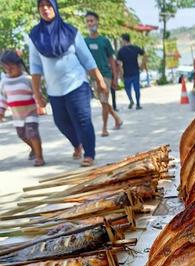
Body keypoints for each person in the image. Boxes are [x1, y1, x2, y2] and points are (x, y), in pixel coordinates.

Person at [29, 0, 108, 167]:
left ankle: (89, 153)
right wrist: (37, 93)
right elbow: (35, 67)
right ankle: (77, 144)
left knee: (82, 119)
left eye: (48, 5)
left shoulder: (71, 32)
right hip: (54, 89)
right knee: (61, 122)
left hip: (77, 84)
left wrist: (100, 80)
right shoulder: (35, 36)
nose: (45, 9)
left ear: (55, 8)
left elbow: (87, 58)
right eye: (41, 6)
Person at [0, 51, 44, 166]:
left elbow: (36, 93)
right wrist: (1, 111)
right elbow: (3, 98)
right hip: (17, 115)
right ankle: (33, 148)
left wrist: (40, 103)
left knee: (32, 133)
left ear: (19, 65)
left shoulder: (27, 79)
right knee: (22, 135)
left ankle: (39, 157)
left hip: (30, 112)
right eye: (5, 67)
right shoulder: (4, 82)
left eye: (11, 66)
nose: (9, 69)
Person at [85, 11, 122, 137]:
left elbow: (112, 60)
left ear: (97, 22)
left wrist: (115, 77)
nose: (90, 23)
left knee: (104, 100)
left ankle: (104, 128)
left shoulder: (104, 41)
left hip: (105, 75)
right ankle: (117, 118)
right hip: (93, 77)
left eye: (92, 20)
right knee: (103, 102)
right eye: (88, 21)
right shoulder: (84, 42)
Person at [117, 34, 145, 110]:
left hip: (126, 73)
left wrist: (120, 73)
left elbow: (119, 64)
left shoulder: (121, 51)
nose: (120, 42)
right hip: (135, 71)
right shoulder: (135, 48)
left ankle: (131, 100)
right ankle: (137, 104)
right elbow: (144, 54)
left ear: (124, 40)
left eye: (121, 40)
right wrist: (142, 65)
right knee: (136, 89)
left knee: (127, 88)